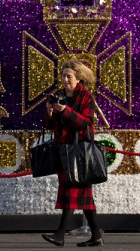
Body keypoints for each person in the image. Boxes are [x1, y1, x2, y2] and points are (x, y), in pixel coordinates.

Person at [42, 59, 103, 248]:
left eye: (69, 76)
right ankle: (96, 235)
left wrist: (65, 111)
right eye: (63, 76)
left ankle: (60, 234)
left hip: (80, 152)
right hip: (64, 151)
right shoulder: (59, 96)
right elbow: (50, 126)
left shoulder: (86, 97)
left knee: (71, 191)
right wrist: (50, 113)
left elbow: (85, 123)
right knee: (85, 199)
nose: (65, 79)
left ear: (78, 78)